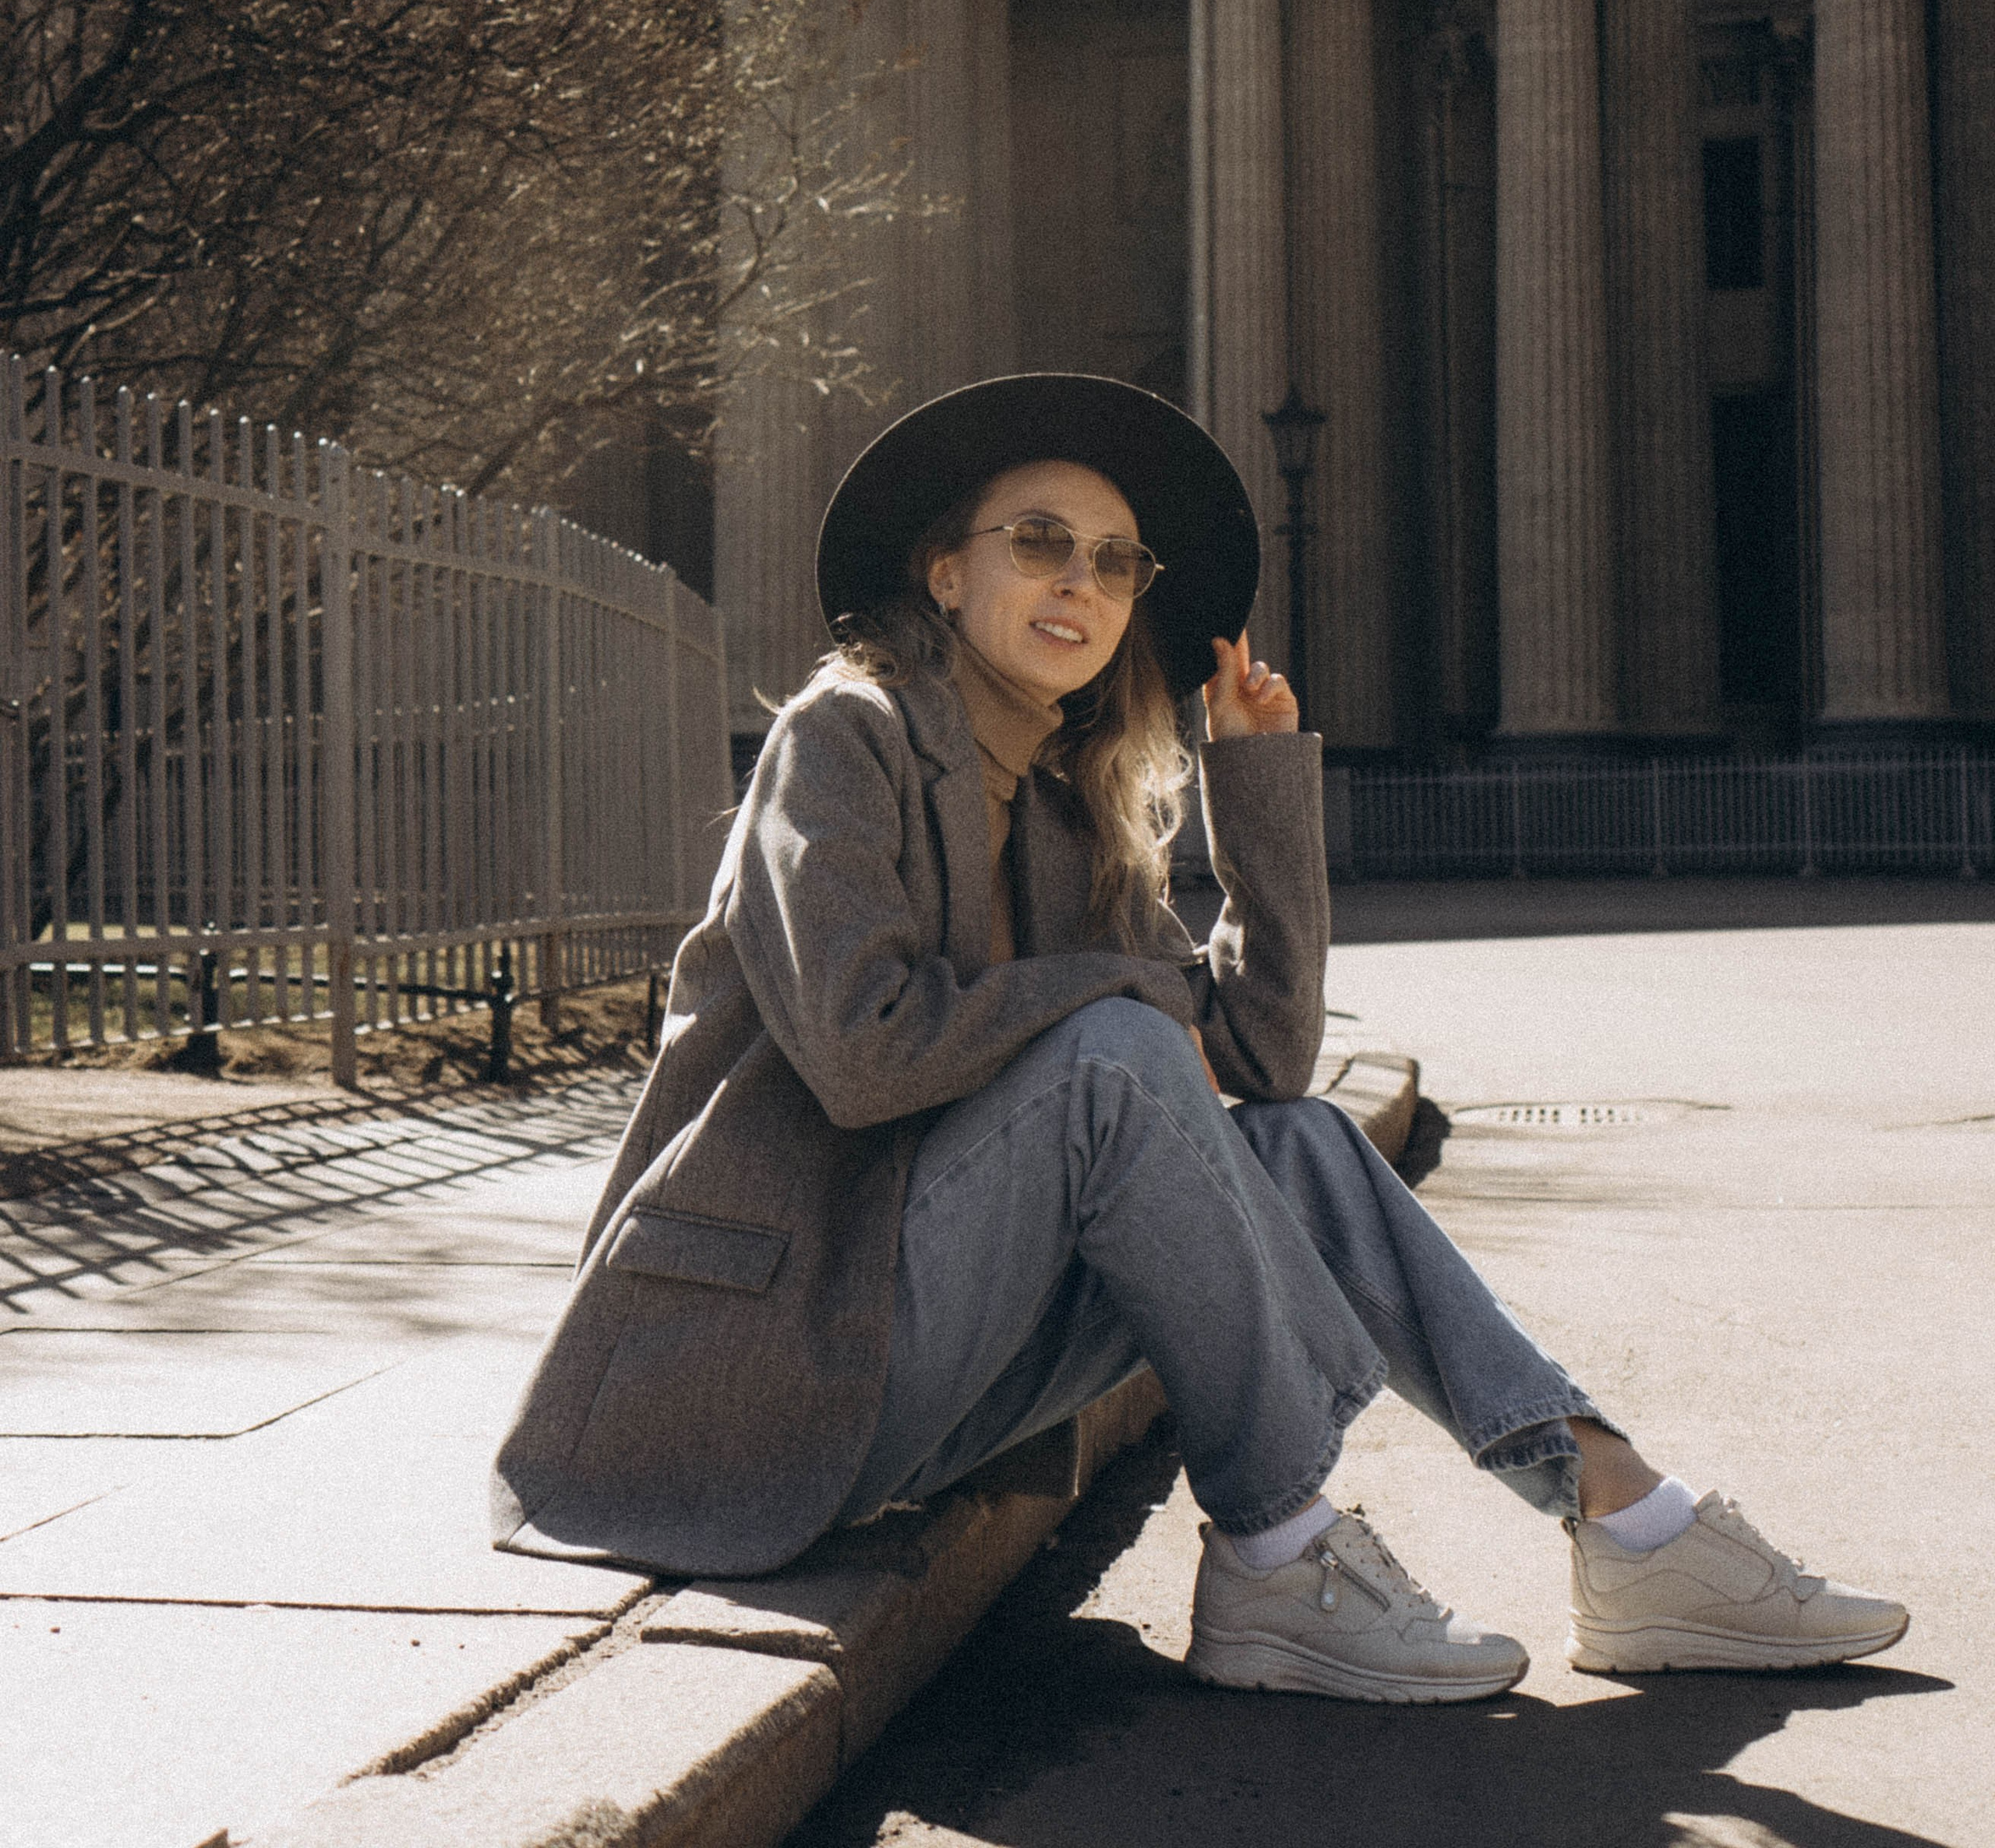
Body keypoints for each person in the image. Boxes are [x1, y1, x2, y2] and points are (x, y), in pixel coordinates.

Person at [493, 373, 1907, 1700]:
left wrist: (1256, 782)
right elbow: (867, 1055)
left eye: (1117, 564)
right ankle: (1279, 1547)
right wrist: (1117, 1004)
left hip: (927, 1350)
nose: (1081, 584)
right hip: (750, 1377)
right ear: (946, 572)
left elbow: (1266, 1056)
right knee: (1115, 1056)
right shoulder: (843, 738)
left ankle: (1628, 1519)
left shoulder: (1061, 804)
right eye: (1041, 543)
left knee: (1290, 1139)